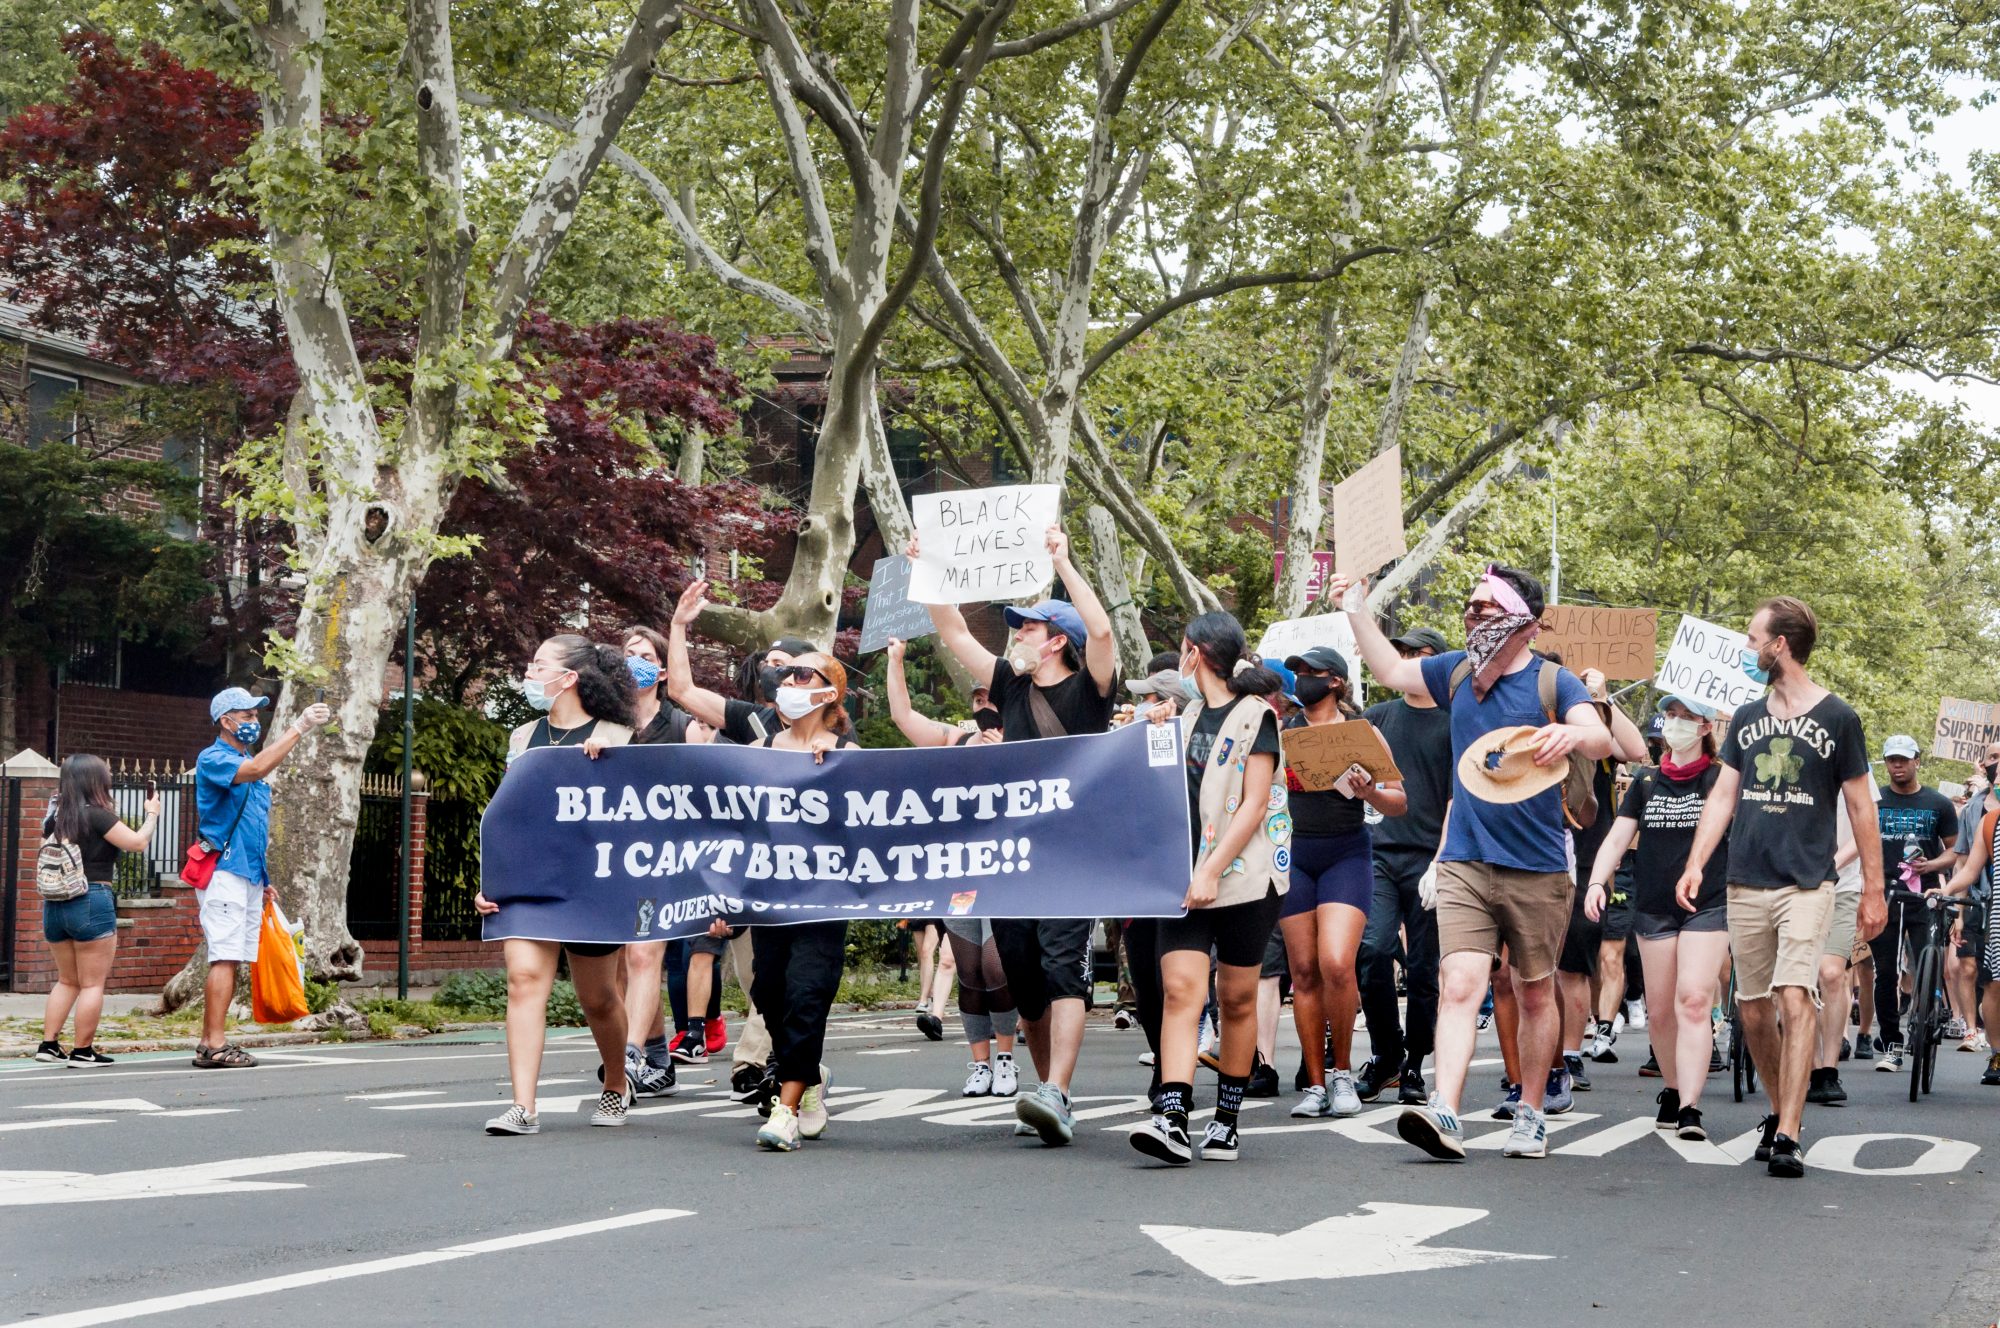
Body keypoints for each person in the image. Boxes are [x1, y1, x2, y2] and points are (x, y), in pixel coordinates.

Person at [1328, 563, 1612, 1162]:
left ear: (1522, 623)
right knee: (1459, 984)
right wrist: (1355, 604)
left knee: (1535, 994)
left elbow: (1600, 737)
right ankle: (1445, 1110)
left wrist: (1571, 736)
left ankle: (1531, 1112)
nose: (1472, 614)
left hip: (1537, 866)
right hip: (1463, 858)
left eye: (1485, 607)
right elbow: (1388, 668)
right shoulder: (1455, 670)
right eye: (1470, 605)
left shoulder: (1553, 682)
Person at [920, 525, 1119, 1146]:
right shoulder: (1008, 682)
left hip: (1070, 854)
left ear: (1057, 640)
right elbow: (953, 632)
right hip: (1011, 858)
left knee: (1064, 970)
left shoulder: (1091, 691)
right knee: (1026, 979)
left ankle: (1058, 1090)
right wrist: (928, 570)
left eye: (1028, 628)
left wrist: (1064, 562)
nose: (1017, 636)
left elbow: (1106, 633)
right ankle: (1044, 1091)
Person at [1677, 596, 1885, 1179]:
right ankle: (1778, 1109)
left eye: (1752, 639)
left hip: (1808, 884)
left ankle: (1790, 1133)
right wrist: (1696, 863)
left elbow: (1862, 808)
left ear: (1780, 646)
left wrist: (1874, 888)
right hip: (1745, 879)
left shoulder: (1838, 718)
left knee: (1795, 995)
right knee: (1750, 1008)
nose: (1748, 649)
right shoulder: (1746, 718)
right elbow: (1724, 796)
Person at [1129, 612, 1290, 1165]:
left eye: (1182, 648)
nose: (1179, 655)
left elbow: (1254, 804)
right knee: (1180, 990)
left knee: (1237, 997)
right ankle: (1172, 1116)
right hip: (1185, 877)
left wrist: (1211, 871)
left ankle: (1226, 1119)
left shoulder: (1256, 717)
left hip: (1246, 879)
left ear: (1196, 653)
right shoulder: (1186, 713)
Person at [475, 636, 641, 1135]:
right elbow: (509, 816)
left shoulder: (619, 733)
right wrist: (492, 880)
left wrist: (613, 766)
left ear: (568, 677)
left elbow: (643, 817)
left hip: (593, 884)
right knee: (523, 981)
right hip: (529, 882)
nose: (529, 672)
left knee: (598, 998)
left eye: (539, 665)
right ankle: (523, 1106)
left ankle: (616, 1085)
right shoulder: (523, 736)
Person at [1584, 695, 1728, 1139]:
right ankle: (1671, 1086)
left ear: (1705, 727)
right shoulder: (1646, 782)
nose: (1676, 723)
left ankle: (1690, 1106)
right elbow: (1615, 839)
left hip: (1708, 904)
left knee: (1694, 1001)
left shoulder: (1721, 778)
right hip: (1653, 906)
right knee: (1661, 1011)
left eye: (1687, 717)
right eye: (1671, 715)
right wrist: (1595, 882)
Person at [1277, 645, 1407, 1120]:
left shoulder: (1361, 732)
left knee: (1336, 962)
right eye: (1298, 672)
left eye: (1311, 672)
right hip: (1295, 855)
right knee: (1304, 971)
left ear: (1334, 681)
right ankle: (1314, 1082)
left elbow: (1399, 801)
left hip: (1347, 853)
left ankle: (1342, 1073)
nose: (1302, 679)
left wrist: (1369, 789)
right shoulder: (1283, 731)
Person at [748, 651, 860, 1152]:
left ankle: (787, 1108)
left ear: (828, 693)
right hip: (772, 896)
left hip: (824, 898)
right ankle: (808, 1077)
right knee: (770, 992)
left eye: (801, 675)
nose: (789, 681)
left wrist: (835, 771)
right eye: (785, 675)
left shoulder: (847, 752)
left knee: (806, 994)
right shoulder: (761, 749)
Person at [192, 686, 332, 1069]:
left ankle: (210, 1042)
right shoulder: (215, 759)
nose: (255, 722)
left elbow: (252, 827)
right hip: (225, 875)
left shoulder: (246, 759)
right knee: (224, 957)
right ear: (226, 721)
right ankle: (215, 1044)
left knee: (232, 957)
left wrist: (262, 877)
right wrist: (299, 727)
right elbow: (256, 769)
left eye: (257, 716)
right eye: (248, 716)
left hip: (246, 874)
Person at [1353, 625, 1453, 1108]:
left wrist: (1444, 859)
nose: (1411, 660)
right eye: (1405, 653)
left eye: (1422, 654)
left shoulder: (1456, 721)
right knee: (1370, 952)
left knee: (1423, 970)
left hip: (1432, 858)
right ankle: (1386, 1054)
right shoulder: (1377, 717)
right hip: (1378, 853)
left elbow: (1461, 796)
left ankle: (1416, 1062)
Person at [612, 624, 699, 1098]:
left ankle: (627, 1057)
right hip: (615, 861)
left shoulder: (683, 726)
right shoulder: (605, 723)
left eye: (644, 655)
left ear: (662, 670)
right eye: (628, 653)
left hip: (667, 862)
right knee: (626, 964)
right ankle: (659, 1056)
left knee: (646, 954)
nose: (635, 662)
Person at [1555, 666, 1651, 1093]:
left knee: (1573, 965)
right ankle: (1536, 1056)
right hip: (1532, 854)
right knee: (1531, 970)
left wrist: (1604, 698)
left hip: (1588, 860)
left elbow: (1635, 749)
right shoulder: (1534, 726)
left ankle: (1571, 1054)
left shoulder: (1593, 733)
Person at [35, 755, 158, 1066]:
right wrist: (152, 815)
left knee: (66, 980)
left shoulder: (56, 819)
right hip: (92, 900)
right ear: (96, 781)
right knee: (92, 983)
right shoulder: (99, 816)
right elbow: (137, 843)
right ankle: (82, 1050)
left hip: (55, 905)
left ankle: (48, 1045)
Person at [1870, 736, 1960, 1073]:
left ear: (1917, 761)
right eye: (1892, 759)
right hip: (1886, 895)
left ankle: (1927, 1019)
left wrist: (1932, 867)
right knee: (1886, 974)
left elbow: (1956, 850)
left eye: (1904, 759)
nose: (1897, 765)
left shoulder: (1938, 803)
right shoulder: (1874, 800)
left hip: (1926, 897)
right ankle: (1892, 1044)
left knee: (1927, 966)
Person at [1807, 796, 1865, 1105]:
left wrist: (1828, 866)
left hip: (1842, 888)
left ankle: (1828, 1070)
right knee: (1804, 980)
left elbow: (1864, 828)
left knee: (1831, 974)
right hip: (1795, 888)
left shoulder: (1855, 766)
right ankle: (1813, 1066)